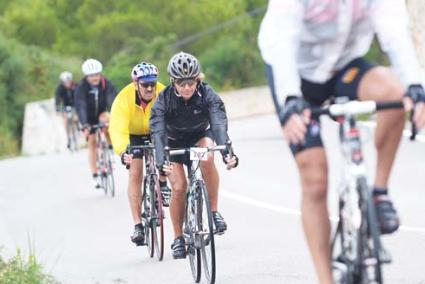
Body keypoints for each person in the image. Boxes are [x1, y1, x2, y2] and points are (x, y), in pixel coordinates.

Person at [258, 1, 425, 283]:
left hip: (344, 66)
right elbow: (284, 37)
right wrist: (289, 99)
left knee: (394, 97)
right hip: (295, 72)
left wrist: (415, 86)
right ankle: (326, 279)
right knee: (315, 179)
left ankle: (379, 192)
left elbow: (394, 31)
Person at [150, 52, 239, 259]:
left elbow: (218, 123)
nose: (187, 87)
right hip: (172, 144)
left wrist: (227, 151)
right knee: (180, 186)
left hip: (199, 136)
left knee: (207, 157)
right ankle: (178, 238)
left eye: (191, 82)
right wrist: (162, 161)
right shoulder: (163, 100)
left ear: (198, 80)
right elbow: (158, 132)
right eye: (182, 83)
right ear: (173, 82)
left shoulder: (208, 94)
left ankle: (214, 213)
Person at [109, 62, 171, 246]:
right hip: (133, 135)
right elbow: (117, 128)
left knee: (165, 157)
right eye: (145, 85)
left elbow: (172, 121)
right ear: (136, 84)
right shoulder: (124, 98)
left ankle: (162, 182)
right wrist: (123, 151)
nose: (150, 88)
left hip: (156, 132)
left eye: (153, 83)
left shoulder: (163, 92)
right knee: (135, 173)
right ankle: (138, 225)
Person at [75, 59, 118, 188]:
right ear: (86, 76)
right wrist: (84, 124)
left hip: (101, 113)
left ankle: (110, 148)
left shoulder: (107, 84)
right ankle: (95, 174)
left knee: (108, 121)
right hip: (88, 117)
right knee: (92, 142)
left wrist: (115, 116)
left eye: (97, 74)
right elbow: (80, 106)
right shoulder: (81, 88)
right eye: (91, 75)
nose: (95, 78)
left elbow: (112, 100)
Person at [55, 71, 77, 149]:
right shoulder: (60, 88)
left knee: (75, 118)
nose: (67, 83)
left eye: (69, 81)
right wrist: (57, 108)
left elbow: (80, 96)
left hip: (75, 104)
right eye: (65, 82)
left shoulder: (75, 85)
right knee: (66, 120)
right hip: (66, 106)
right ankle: (68, 137)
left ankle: (77, 130)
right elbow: (58, 98)